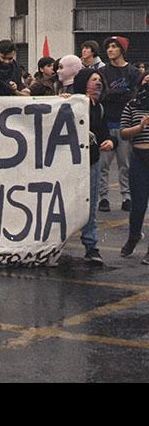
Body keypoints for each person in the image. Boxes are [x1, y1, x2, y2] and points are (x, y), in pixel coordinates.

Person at [72, 68, 114, 266]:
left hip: (93, 162)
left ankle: (91, 246)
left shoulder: (100, 107)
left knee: (90, 207)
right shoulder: (72, 105)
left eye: (99, 80)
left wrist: (109, 141)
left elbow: (104, 131)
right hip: (72, 164)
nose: (97, 83)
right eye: (92, 80)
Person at [99, 36, 141, 213]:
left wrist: (114, 93)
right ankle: (103, 197)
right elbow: (102, 94)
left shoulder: (132, 72)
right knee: (103, 164)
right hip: (106, 123)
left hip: (125, 124)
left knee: (125, 164)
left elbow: (134, 95)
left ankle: (126, 196)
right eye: (108, 46)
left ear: (122, 50)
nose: (110, 50)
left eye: (114, 46)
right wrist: (119, 93)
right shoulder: (103, 71)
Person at [118, 73, 149, 260]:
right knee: (138, 204)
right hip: (138, 156)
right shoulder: (132, 105)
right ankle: (133, 237)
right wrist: (140, 127)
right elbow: (123, 133)